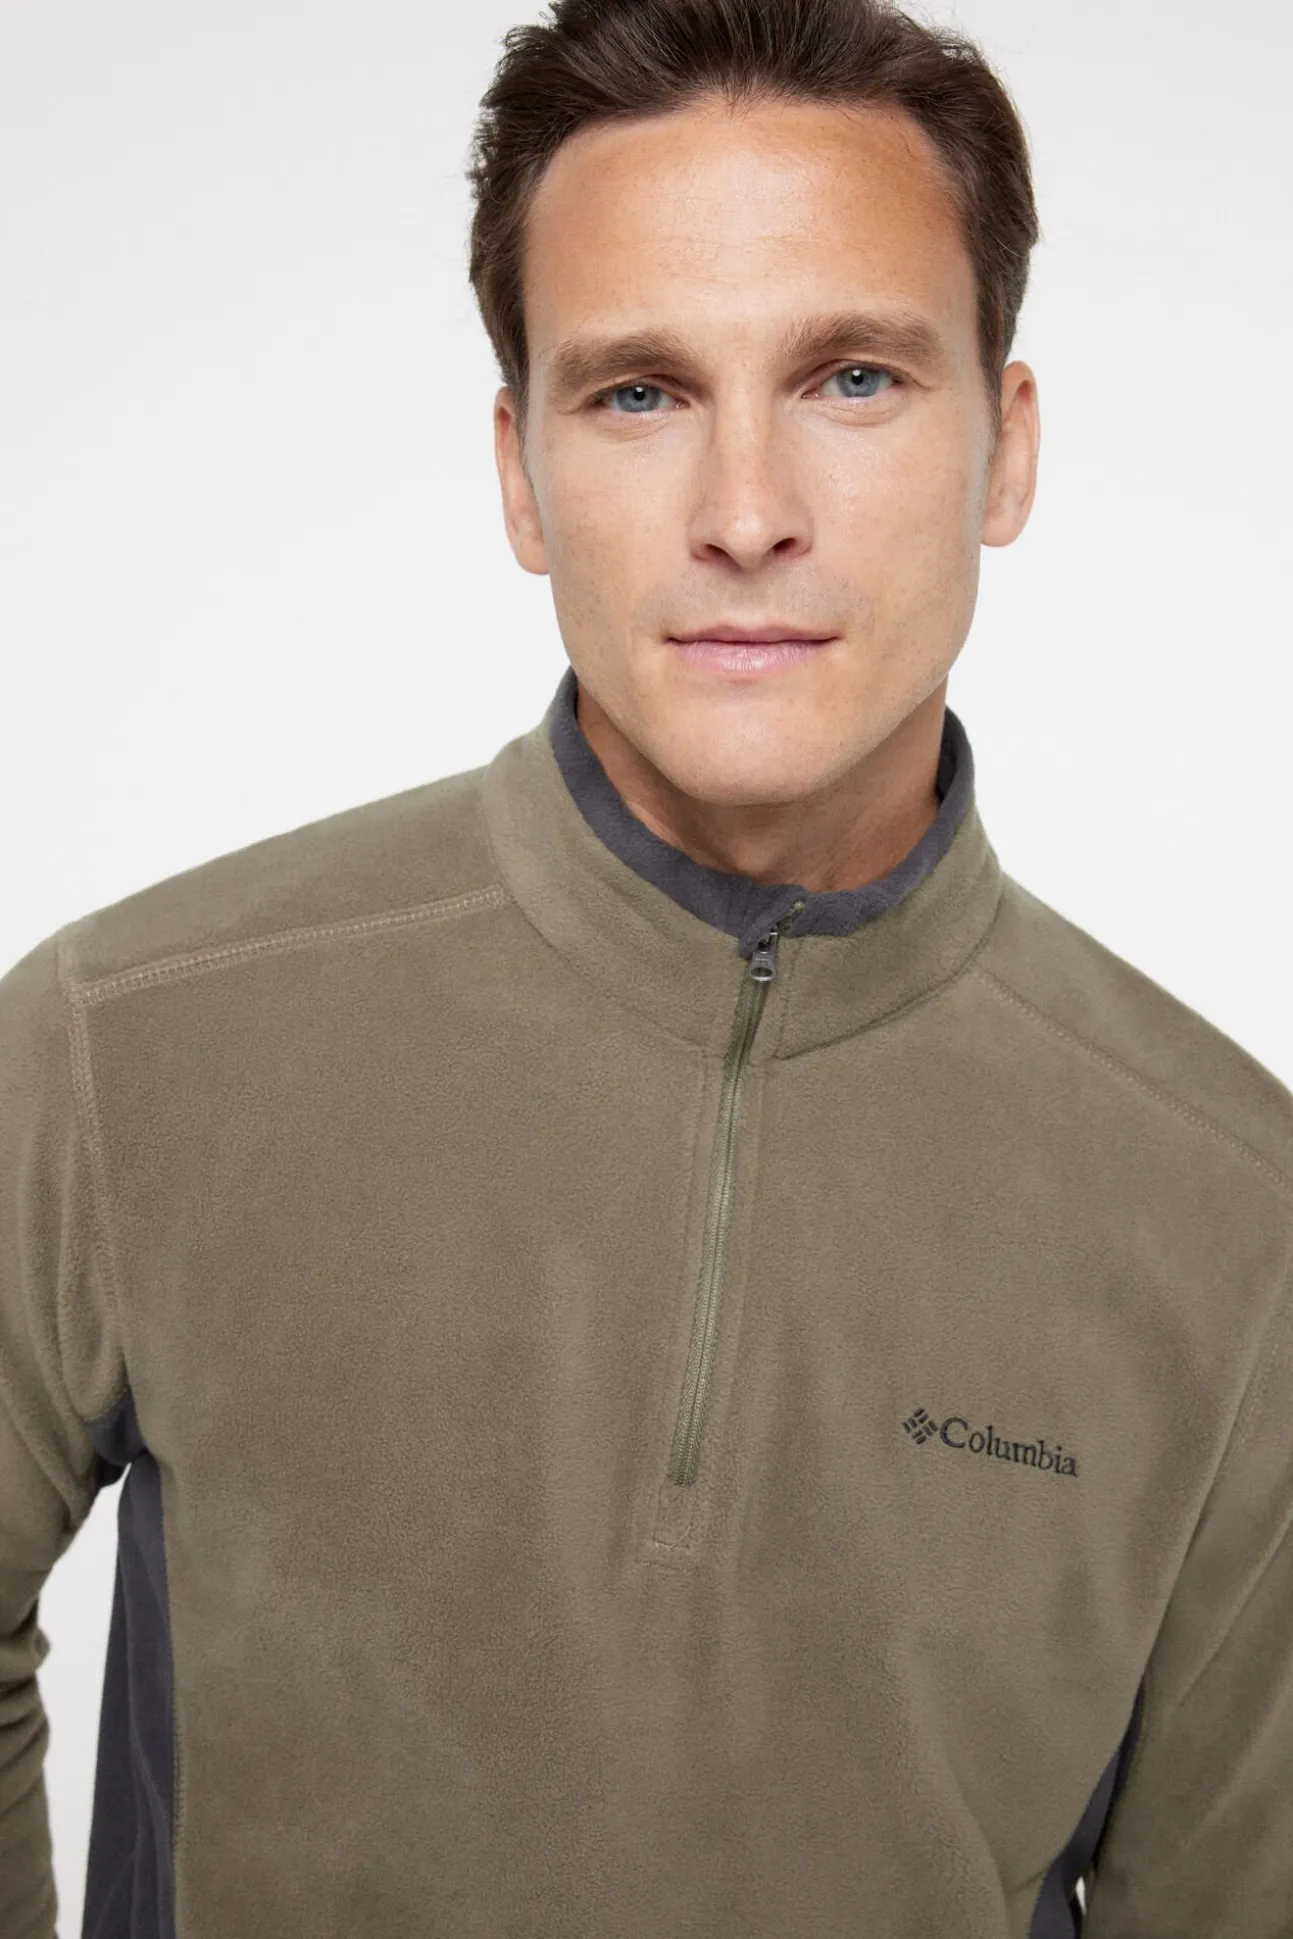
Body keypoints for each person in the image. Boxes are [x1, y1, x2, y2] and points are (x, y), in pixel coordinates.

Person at [2, 0, 1290, 1933]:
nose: (745, 512)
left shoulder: (1241, 1222)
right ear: (520, 472)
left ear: (1005, 449)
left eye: (854, 378)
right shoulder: (126, 1045)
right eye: (637, 394)